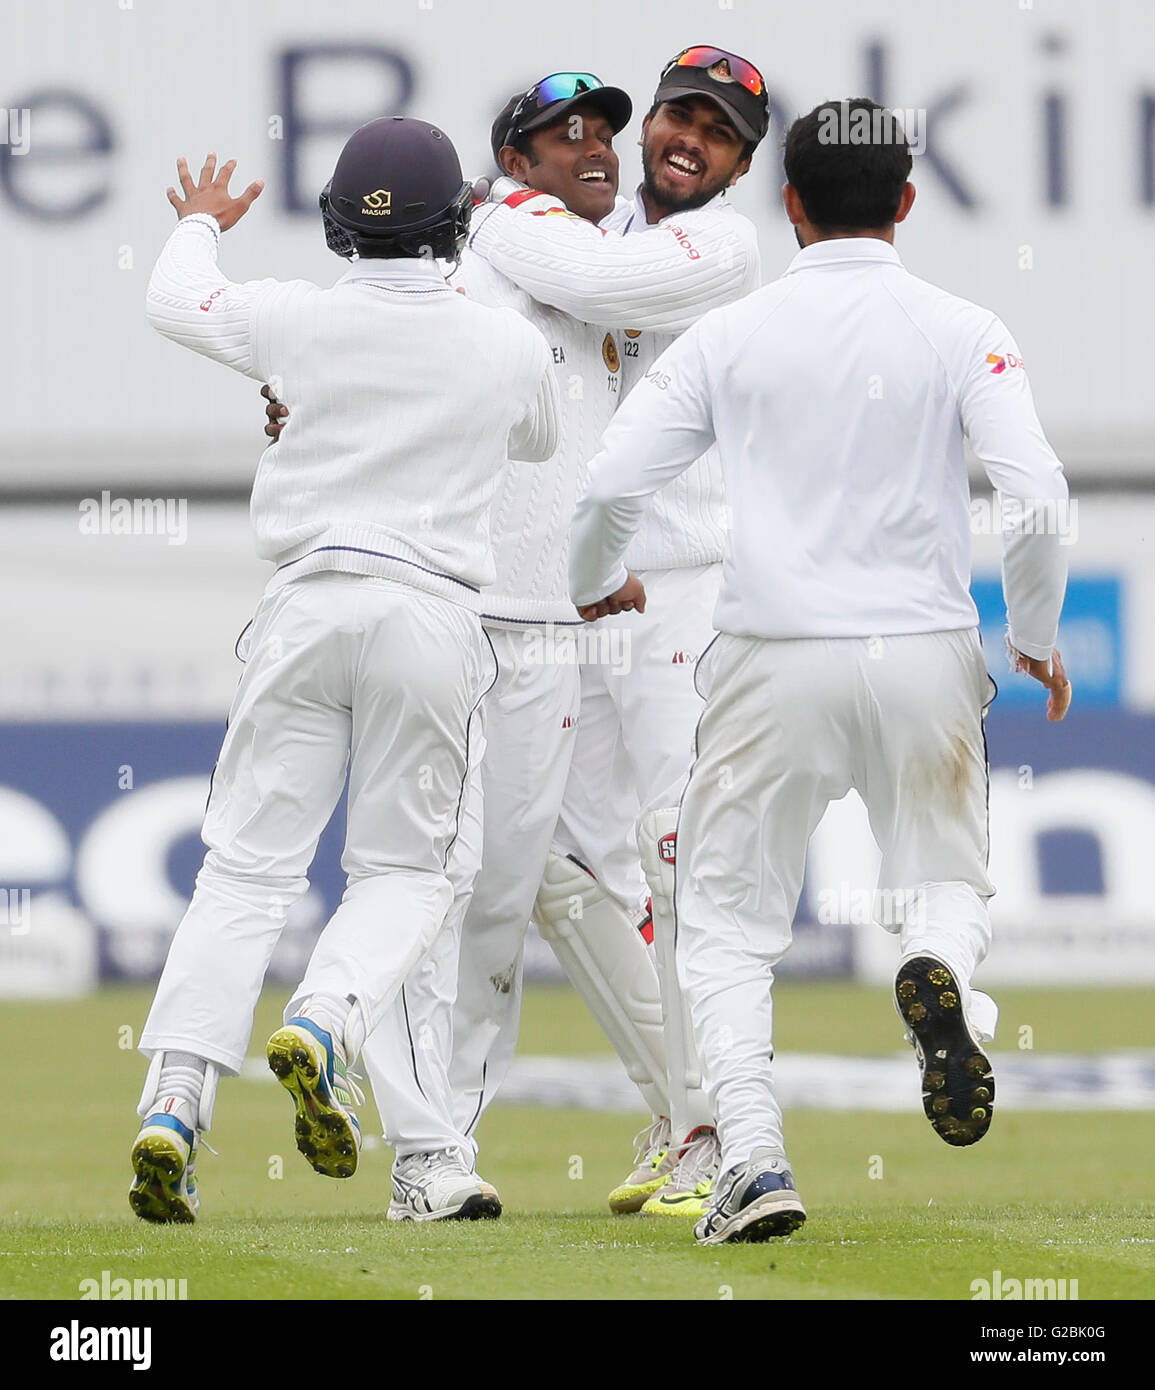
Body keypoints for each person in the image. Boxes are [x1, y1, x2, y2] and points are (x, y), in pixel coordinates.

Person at [568, 97, 1071, 1245]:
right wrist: (1034, 633)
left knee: (732, 924)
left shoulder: (732, 333)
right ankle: (939, 968)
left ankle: (751, 1157)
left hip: (770, 654)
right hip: (925, 652)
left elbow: (606, 489)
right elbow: (1036, 496)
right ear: (904, 201)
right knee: (945, 877)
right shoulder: (961, 325)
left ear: (787, 204)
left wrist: (592, 578)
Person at [129, 119, 559, 1223]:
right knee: (406, 874)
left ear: (336, 223)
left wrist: (199, 221)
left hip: (304, 606)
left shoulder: (292, 320)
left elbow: (174, 301)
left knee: (245, 869)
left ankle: (174, 1101)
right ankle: (324, 1019)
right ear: (457, 226)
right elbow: (540, 442)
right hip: (429, 616)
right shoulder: (501, 340)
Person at [468, 45, 769, 1218]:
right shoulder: (591, 220)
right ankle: (680, 1106)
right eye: (678, 117)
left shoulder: (714, 250)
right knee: (559, 864)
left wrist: (501, 217)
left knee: (678, 848)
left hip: (680, 587)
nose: (690, 139)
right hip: (564, 594)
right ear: (650, 125)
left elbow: (609, 290)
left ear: (744, 162)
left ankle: (721, 1131)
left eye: (721, 132)